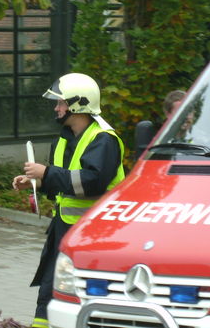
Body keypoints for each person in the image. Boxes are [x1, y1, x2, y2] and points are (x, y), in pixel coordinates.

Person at [12, 72, 125, 328]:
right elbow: (63, 186)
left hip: (95, 237)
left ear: (79, 104)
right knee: (49, 291)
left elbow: (91, 183)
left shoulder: (104, 140)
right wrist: (37, 182)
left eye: (61, 102)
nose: (57, 107)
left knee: (86, 297)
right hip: (64, 230)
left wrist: (47, 173)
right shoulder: (64, 139)